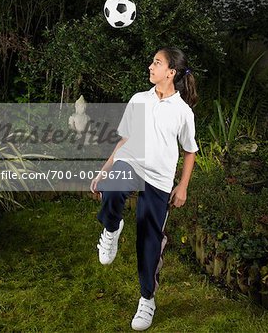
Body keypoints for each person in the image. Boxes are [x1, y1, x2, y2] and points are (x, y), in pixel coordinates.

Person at [90, 47, 198, 331]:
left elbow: (190, 152)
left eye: (157, 63)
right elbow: (125, 140)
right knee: (114, 187)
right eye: (152, 61)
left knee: (149, 241)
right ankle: (111, 229)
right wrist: (104, 169)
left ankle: (147, 299)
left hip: (160, 180)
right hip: (131, 163)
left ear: (171, 72)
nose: (151, 66)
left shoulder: (183, 112)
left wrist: (182, 185)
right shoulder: (138, 99)